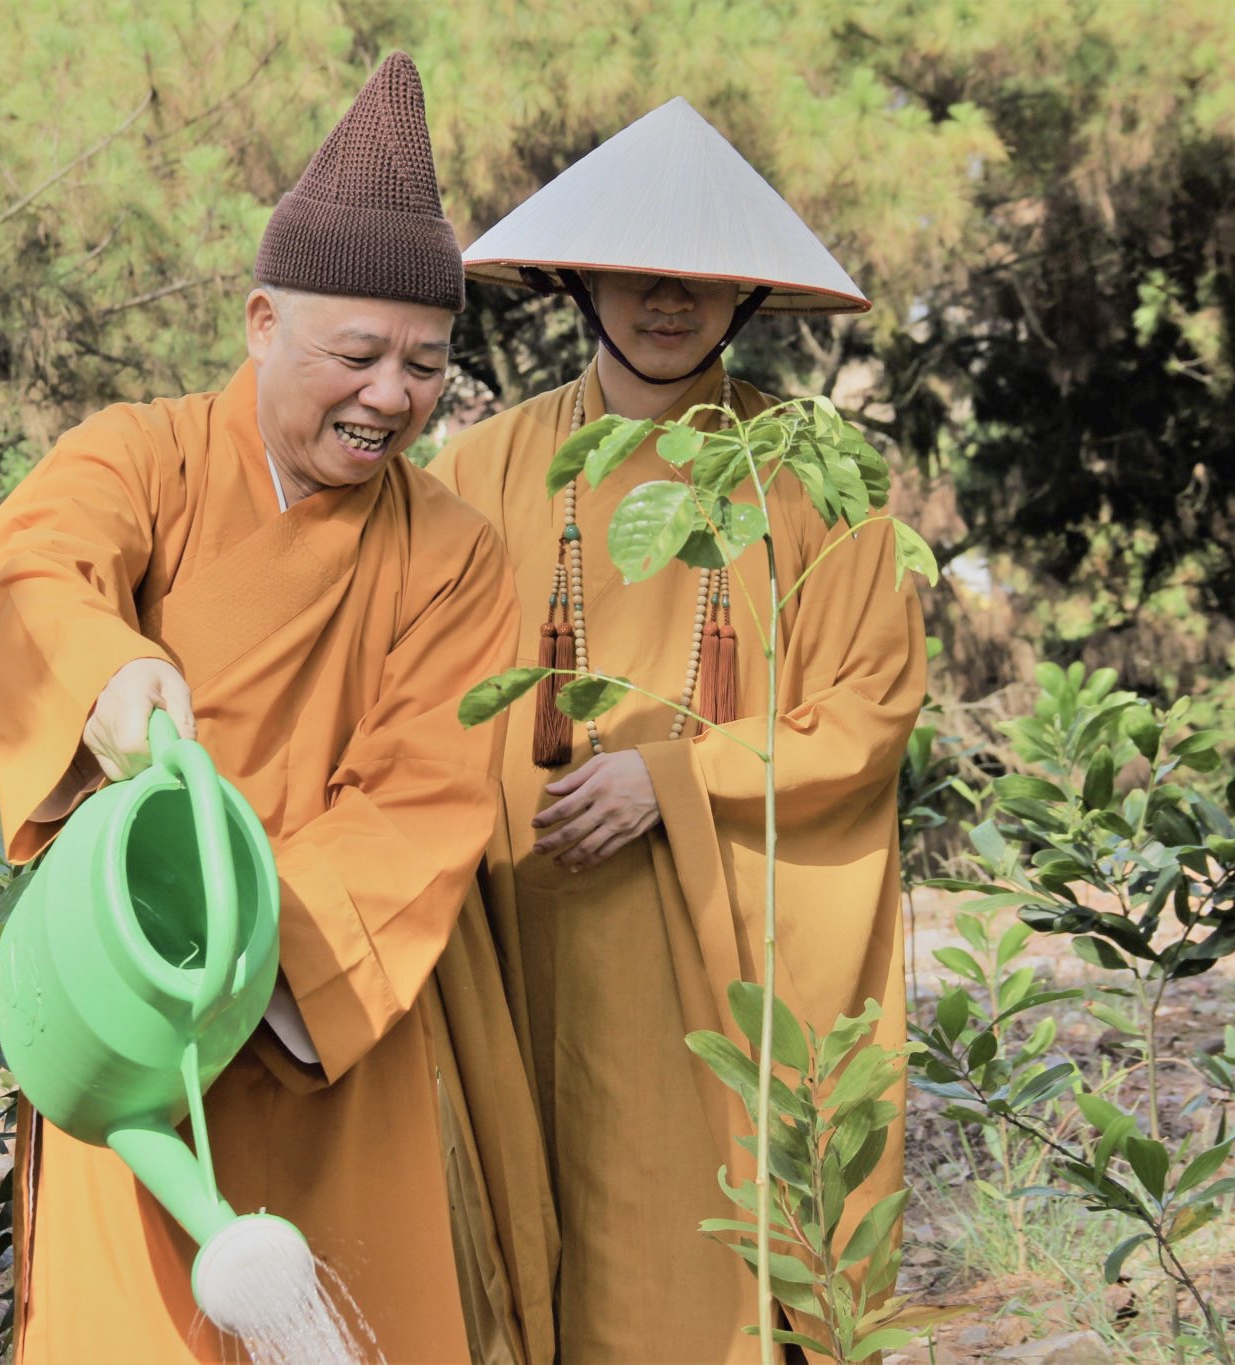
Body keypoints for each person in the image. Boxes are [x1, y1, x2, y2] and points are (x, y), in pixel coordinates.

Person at [0, 52, 554, 1365]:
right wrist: (105, 672)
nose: (393, 397)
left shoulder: (454, 552)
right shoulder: (143, 455)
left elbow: (426, 797)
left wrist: (232, 961)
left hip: (316, 1023)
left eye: (426, 363)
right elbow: (35, 563)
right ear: (259, 322)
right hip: (129, 1027)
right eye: (358, 353)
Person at [429, 97, 928, 1363]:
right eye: (639, 273)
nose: (669, 300)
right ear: (576, 279)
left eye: (702, 280)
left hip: (722, 941)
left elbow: (868, 707)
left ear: (746, 297)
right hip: (527, 916)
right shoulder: (476, 470)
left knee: (703, 1246)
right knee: (537, 1224)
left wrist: (677, 777)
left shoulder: (817, 475)